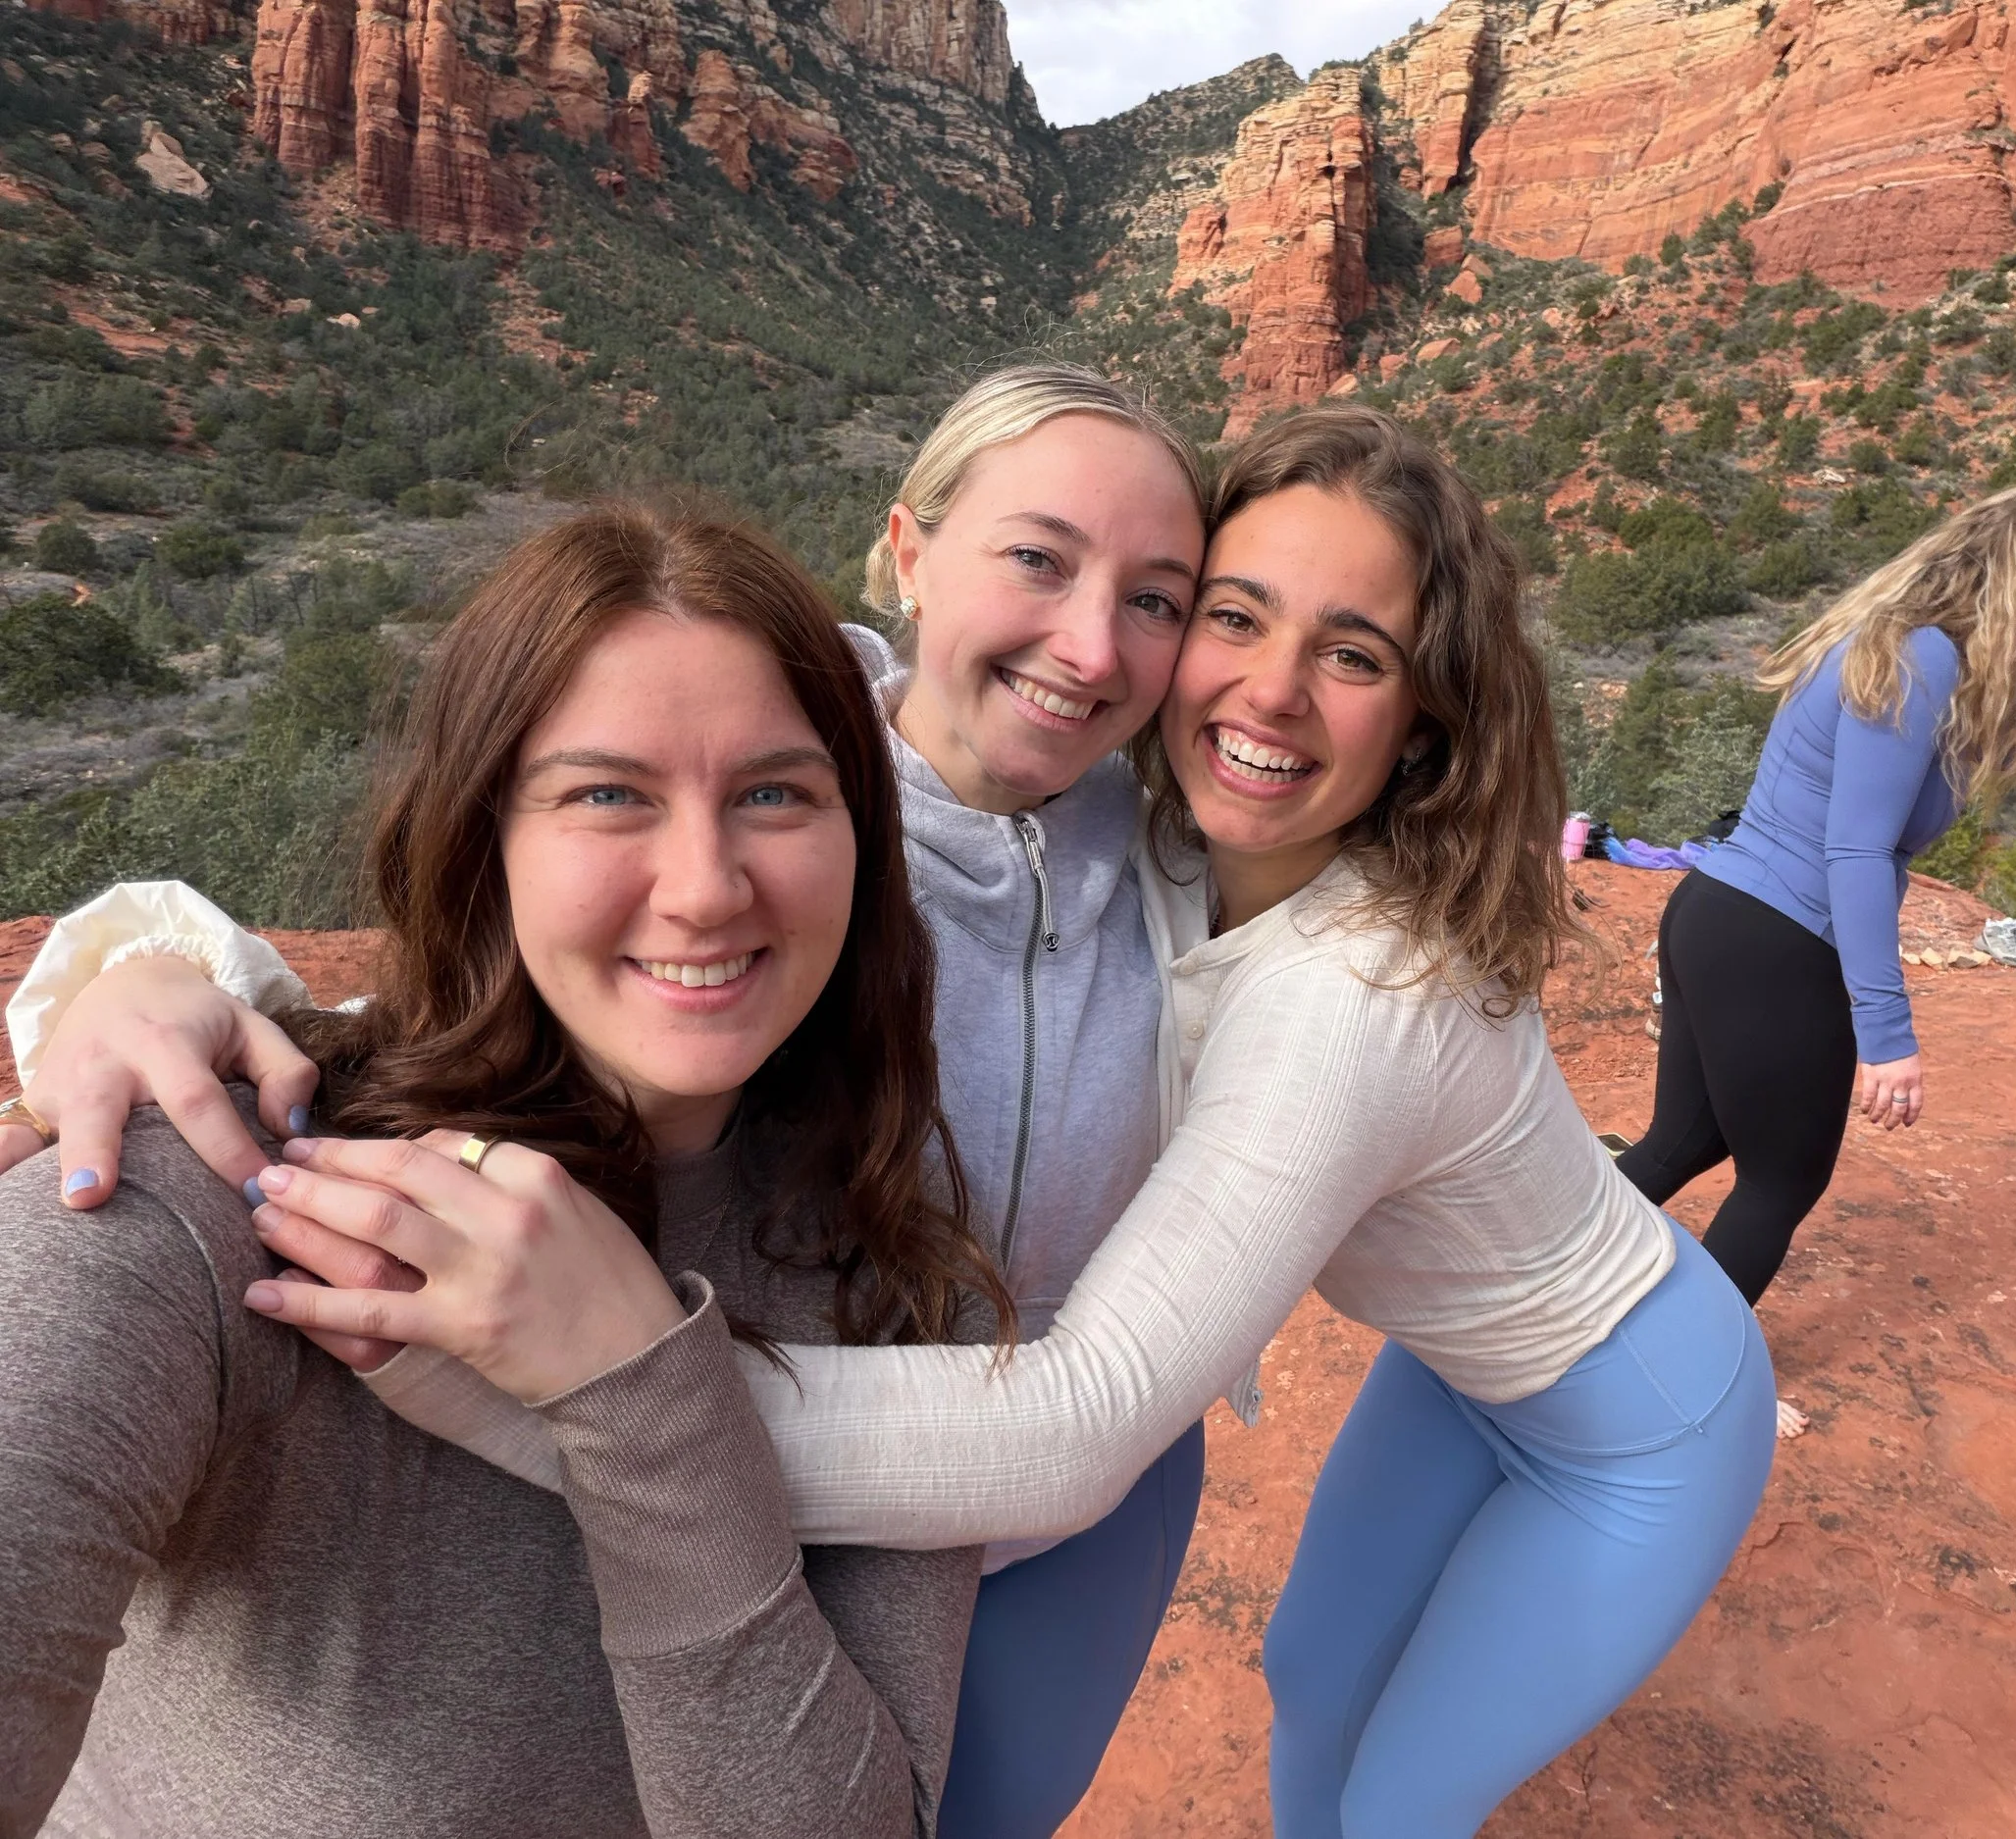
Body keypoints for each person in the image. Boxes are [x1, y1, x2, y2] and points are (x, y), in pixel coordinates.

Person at [204, 407, 1778, 1837]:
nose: (1268, 689)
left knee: (1396, 1803)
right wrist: (155, 964)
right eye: (1230, 615)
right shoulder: (1130, 798)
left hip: (1637, 1418)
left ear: (1424, 718)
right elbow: (716, 710)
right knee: (1312, 1671)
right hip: (1459, 1360)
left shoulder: (1362, 998)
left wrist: (555, 1393)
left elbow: (1072, 1424)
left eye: (1355, 653)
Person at [0, 365, 1214, 1839]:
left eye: (776, 794)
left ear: (853, 835)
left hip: (1006, 1470)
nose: (706, 886)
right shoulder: (215, 1199)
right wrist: (135, 969)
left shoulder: (911, 1260)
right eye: (604, 794)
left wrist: (643, 1376)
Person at [1613, 483, 2016, 1330]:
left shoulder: (1916, 647)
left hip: (1719, 916)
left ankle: (1538, 1293)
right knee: (1781, 1181)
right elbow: (1855, 852)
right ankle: (1676, 1381)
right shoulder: (1922, 657)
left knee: (1685, 1140)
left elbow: (2007, 749)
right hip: (1782, 942)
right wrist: (1887, 1036)